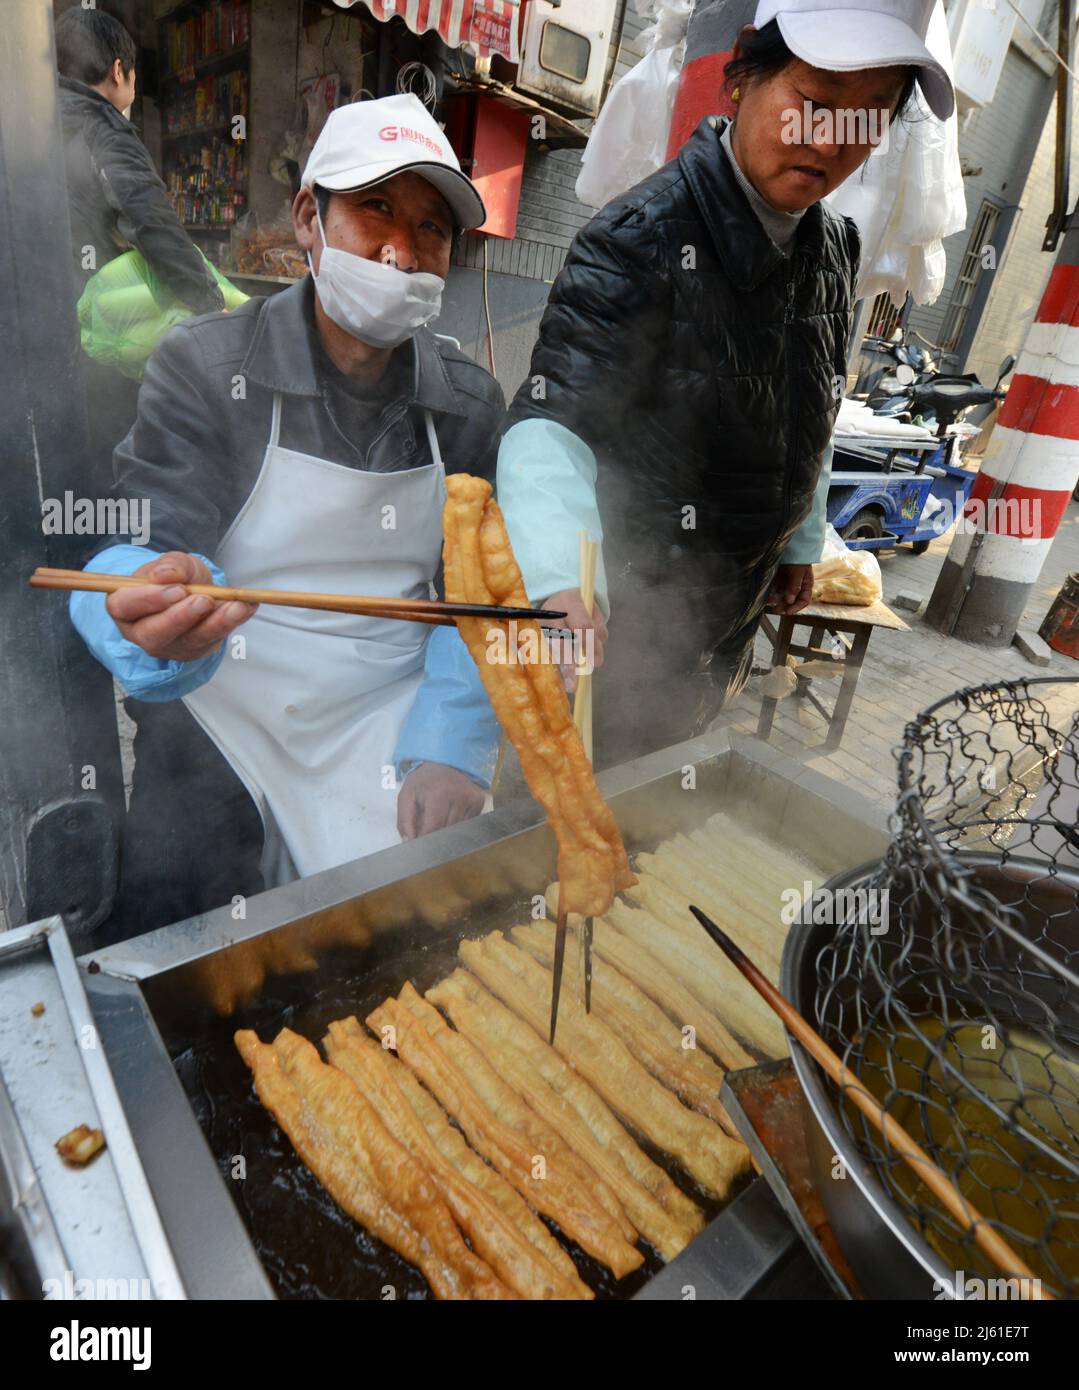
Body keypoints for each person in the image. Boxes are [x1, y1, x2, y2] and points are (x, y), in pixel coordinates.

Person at [69, 94, 504, 942]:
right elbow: (138, 548)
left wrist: (453, 740)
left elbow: (474, 596)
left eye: (432, 230)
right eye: (374, 207)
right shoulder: (205, 366)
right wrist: (140, 605)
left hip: (392, 710)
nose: (399, 250)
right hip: (227, 702)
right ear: (310, 216)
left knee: (425, 941)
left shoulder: (466, 404)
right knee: (182, 936)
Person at [497, 0, 954, 768]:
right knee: (573, 813)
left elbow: (807, 398)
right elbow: (551, 423)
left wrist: (799, 538)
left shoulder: (833, 244)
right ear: (743, 74)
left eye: (864, 120)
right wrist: (556, 586)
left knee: (671, 795)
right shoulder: (638, 238)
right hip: (625, 619)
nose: (826, 142)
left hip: (727, 611)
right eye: (811, 104)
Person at [55, 7, 225, 494]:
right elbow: (152, 222)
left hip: (36, 338)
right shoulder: (102, 126)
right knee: (116, 463)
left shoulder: (26, 123)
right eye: (132, 78)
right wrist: (212, 310)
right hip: (96, 334)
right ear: (117, 70)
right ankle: (111, 552)